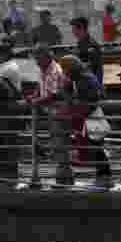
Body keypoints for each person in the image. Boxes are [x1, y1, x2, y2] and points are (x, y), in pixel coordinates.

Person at [62, 56, 112, 188]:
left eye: (65, 69)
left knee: (96, 148)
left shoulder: (85, 79)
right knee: (95, 148)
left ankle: (105, 178)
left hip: (91, 117)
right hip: (88, 116)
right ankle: (102, 177)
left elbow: (94, 98)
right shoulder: (80, 78)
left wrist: (79, 111)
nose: (64, 72)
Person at [29, 44, 72, 185]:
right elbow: (40, 86)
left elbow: (55, 94)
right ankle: (63, 174)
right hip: (50, 112)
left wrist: (37, 101)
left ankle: (64, 176)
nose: (36, 61)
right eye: (35, 58)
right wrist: (34, 95)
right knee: (56, 143)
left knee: (60, 143)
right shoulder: (44, 69)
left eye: (38, 58)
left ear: (46, 57)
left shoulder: (55, 70)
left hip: (59, 112)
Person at [70, 16, 103, 84]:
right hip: (82, 84)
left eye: (74, 29)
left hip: (91, 86)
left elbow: (93, 68)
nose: (72, 32)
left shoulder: (91, 45)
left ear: (81, 28)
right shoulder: (80, 43)